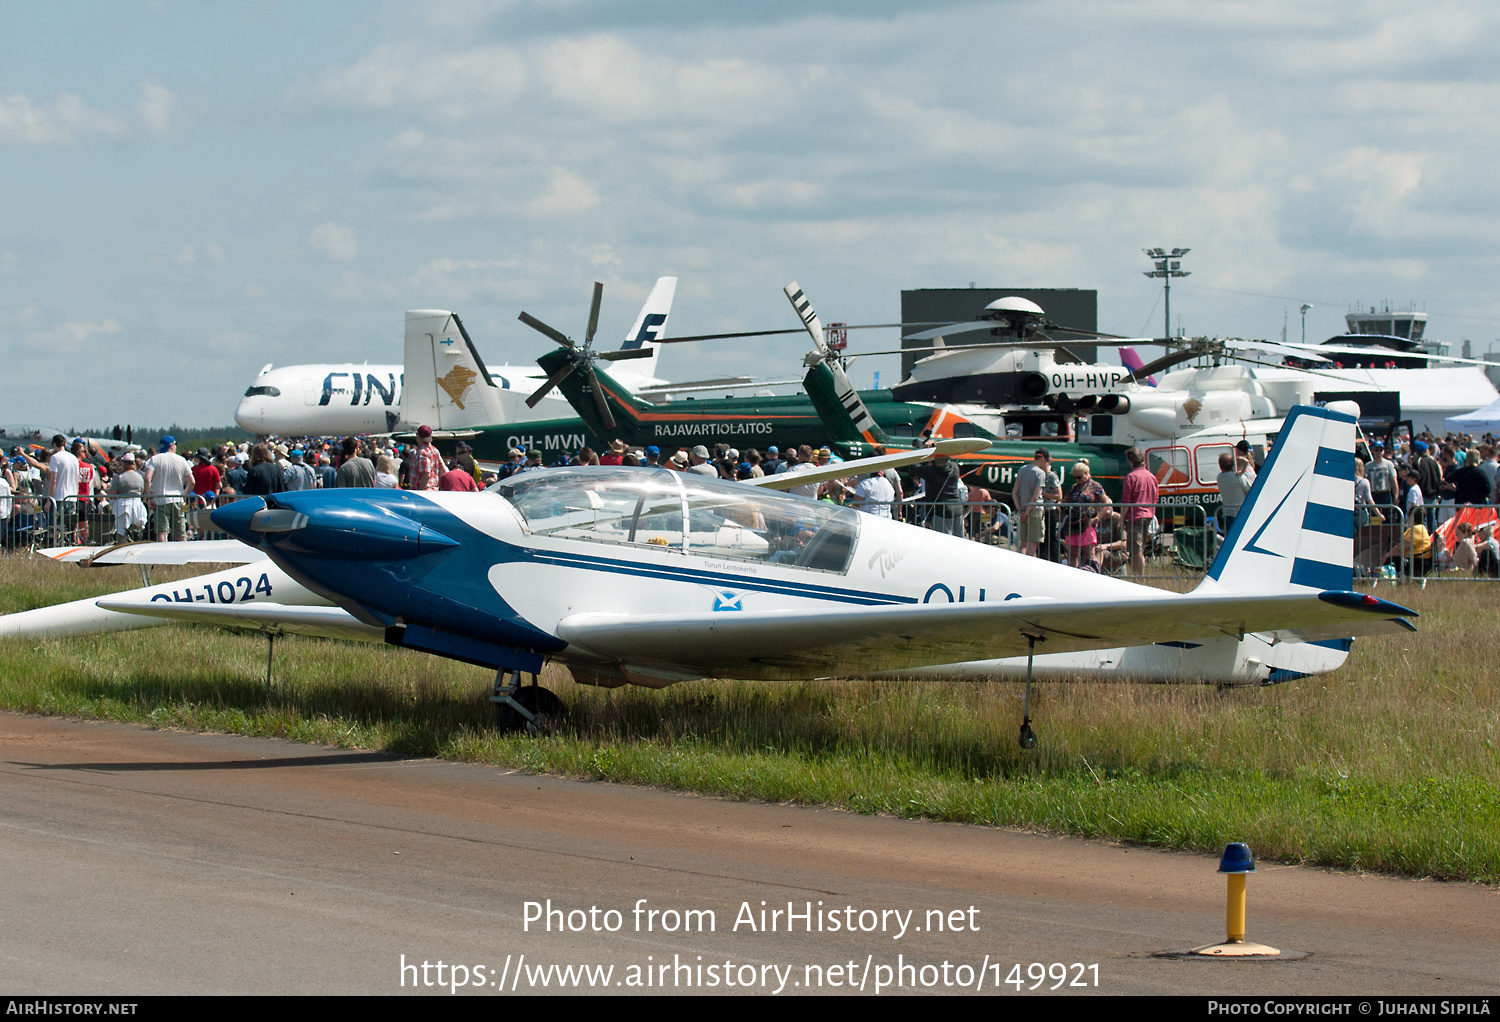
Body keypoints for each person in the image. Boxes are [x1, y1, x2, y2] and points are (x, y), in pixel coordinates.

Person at [1061, 460, 1110, 568]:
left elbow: (1106, 503)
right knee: (1073, 555)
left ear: (1086, 473)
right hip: (1072, 524)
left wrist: (1097, 517)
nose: (1077, 480)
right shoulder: (1074, 488)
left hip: (1087, 524)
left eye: (1079, 477)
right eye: (1075, 478)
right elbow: (1064, 501)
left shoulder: (1095, 486)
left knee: (1090, 554)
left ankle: (1094, 572)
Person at [143, 435, 193, 542]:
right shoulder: (181, 459)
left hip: (161, 499)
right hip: (178, 499)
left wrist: (149, 497)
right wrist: (185, 494)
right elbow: (191, 481)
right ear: (171, 445)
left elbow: (147, 478)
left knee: (162, 531)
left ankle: (163, 555)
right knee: (180, 532)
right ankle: (183, 554)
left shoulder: (154, 459)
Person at [1119, 447, 1158, 575]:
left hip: (1135, 516)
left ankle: (1138, 578)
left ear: (1130, 461)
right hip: (1149, 515)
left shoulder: (1131, 477)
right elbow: (1156, 498)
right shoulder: (1151, 477)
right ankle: (1140, 576)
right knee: (1140, 549)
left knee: (1136, 551)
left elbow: (1126, 502)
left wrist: (1122, 519)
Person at [1012, 448, 1050, 557]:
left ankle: (1020, 563)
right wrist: (1028, 511)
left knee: (1023, 542)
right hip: (1035, 510)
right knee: (1033, 541)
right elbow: (1036, 496)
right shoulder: (1040, 473)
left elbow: (1015, 492)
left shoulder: (1022, 469)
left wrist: (1020, 509)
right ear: (1042, 458)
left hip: (1023, 509)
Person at [106, 452, 147, 541]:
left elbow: (112, 494)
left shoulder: (120, 477)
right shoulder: (140, 477)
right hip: (137, 505)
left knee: (121, 533)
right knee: (136, 532)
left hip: (123, 506)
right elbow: (141, 492)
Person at [409, 425, 446, 490]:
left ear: (419, 437)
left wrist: (420, 491)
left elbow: (426, 475)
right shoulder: (435, 451)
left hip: (424, 492)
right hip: (434, 490)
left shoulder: (422, 453)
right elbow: (443, 470)